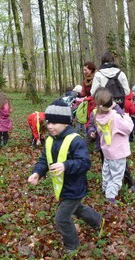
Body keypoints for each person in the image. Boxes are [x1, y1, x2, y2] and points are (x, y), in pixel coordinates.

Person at [28, 99, 104, 255]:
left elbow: (85, 163)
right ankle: (98, 221)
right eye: (48, 122)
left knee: (62, 218)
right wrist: (37, 173)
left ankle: (72, 246)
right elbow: (44, 160)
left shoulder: (75, 140)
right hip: (62, 187)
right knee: (78, 209)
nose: (50, 126)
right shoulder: (49, 140)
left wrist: (65, 165)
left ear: (65, 123)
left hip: (75, 187)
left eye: (55, 123)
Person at [88, 88, 133, 204]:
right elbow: (128, 128)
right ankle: (111, 195)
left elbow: (92, 124)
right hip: (118, 152)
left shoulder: (96, 115)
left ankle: (105, 188)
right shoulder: (115, 117)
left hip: (106, 151)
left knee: (107, 171)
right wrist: (125, 115)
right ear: (111, 103)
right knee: (117, 175)